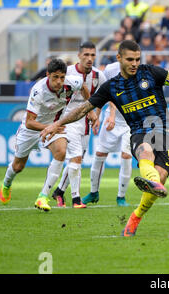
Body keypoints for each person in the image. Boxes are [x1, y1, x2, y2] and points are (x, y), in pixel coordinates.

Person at [40, 40, 169, 236]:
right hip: (140, 132)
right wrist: (56, 124)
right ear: (119, 58)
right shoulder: (111, 87)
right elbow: (82, 110)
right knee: (145, 151)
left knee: (160, 179)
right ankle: (152, 181)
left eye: (138, 59)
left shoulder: (152, 72)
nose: (134, 63)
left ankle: (136, 215)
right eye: (130, 59)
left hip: (167, 134)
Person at [0, 58, 96, 211]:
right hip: (32, 130)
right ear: (47, 75)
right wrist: (50, 127)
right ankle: (6, 183)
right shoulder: (38, 91)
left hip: (54, 127)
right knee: (18, 166)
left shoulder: (72, 82)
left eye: (62, 77)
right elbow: (29, 122)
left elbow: (83, 87)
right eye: (55, 77)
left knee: (61, 151)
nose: (59, 81)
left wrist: (89, 109)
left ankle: (43, 197)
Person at [50, 42, 106, 208]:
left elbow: (103, 96)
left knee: (77, 160)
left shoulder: (98, 76)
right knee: (76, 158)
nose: (89, 59)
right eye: (86, 55)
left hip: (86, 123)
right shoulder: (67, 72)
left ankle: (59, 191)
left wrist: (97, 116)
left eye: (92, 55)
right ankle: (76, 199)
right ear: (79, 55)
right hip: (68, 121)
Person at [81, 60, 133, 207]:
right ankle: (93, 193)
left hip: (129, 122)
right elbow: (104, 94)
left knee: (126, 155)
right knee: (100, 154)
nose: (133, 61)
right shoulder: (110, 69)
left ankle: (121, 197)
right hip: (111, 120)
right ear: (120, 56)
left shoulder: (138, 71)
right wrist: (98, 115)